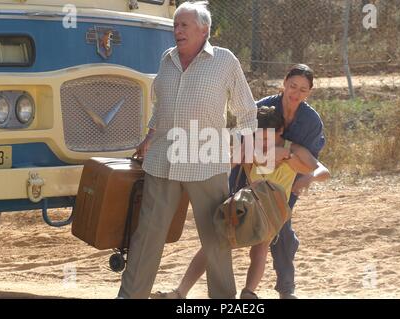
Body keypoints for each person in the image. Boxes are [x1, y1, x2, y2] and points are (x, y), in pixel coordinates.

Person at [117, 1, 257, 299]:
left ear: (203, 29)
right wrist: (149, 136)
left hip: (206, 162)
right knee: (147, 237)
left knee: (215, 238)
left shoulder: (224, 61)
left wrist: (239, 145)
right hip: (163, 160)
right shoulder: (166, 60)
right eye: (175, 25)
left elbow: (246, 110)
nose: (176, 30)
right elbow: (161, 108)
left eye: (183, 25)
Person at [151, 106, 330, 299]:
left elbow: (323, 171)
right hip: (250, 205)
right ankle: (180, 292)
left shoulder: (294, 150)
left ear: (279, 132)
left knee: (260, 248)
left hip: (274, 210)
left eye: (264, 138)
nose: (261, 143)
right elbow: (228, 163)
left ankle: (248, 293)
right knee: (213, 244)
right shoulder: (252, 148)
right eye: (256, 137)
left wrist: (307, 178)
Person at [256, 64, 326, 299]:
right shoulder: (263, 107)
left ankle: (286, 289)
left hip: (288, 180)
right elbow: (242, 141)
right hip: (253, 175)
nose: (296, 93)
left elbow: (313, 160)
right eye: (293, 86)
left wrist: (306, 177)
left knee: (280, 229)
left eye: (303, 90)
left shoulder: (311, 121)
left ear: (309, 93)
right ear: (284, 83)